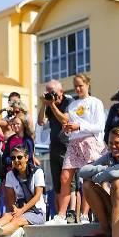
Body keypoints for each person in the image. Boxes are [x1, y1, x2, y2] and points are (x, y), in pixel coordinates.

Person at [47, 74, 106, 225]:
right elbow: (67, 123)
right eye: (76, 86)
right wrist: (68, 129)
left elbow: (99, 126)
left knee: (87, 178)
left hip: (90, 142)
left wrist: (79, 127)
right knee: (65, 178)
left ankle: (85, 215)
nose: (78, 88)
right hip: (73, 143)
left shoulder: (95, 102)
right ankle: (61, 215)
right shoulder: (72, 105)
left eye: (81, 85)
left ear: (87, 85)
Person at [0, 146, 45, 237]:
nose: (16, 160)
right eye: (13, 158)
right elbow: (10, 199)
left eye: (19, 157)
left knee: (16, 220)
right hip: (20, 209)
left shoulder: (37, 172)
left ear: (26, 158)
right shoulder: (10, 175)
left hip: (37, 212)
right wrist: (15, 208)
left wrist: (21, 211)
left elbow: (37, 196)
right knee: (7, 215)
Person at [37, 79, 73, 213]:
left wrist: (52, 105)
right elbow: (41, 122)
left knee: (70, 183)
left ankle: (73, 213)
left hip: (68, 146)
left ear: (61, 91)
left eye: (53, 92)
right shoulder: (50, 105)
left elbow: (65, 119)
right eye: (48, 92)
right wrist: (43, 104)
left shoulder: (69, 101)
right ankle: (59, 215)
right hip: (54, 148)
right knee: (57, 184)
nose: (51, 95)